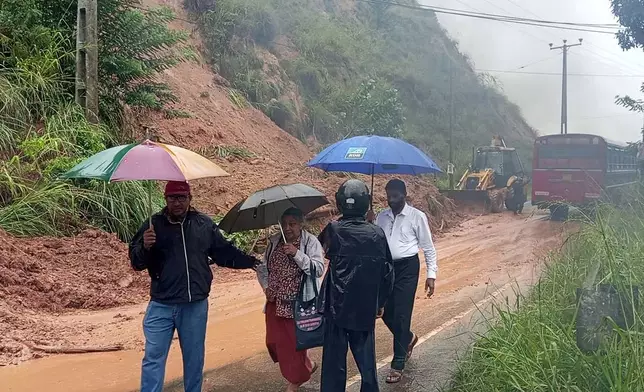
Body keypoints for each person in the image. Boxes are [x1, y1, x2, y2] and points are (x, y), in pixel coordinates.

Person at [129, 181, 260, 392]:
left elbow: (223, 252)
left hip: (194, 305)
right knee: (153, 357)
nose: (177, 202)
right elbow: (136, 263)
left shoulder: (203, 224)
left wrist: (251, 262)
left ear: (190, 199)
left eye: (182, 197)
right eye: (172, 198)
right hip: (161, 304)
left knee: (193, 358)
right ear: (166, 200)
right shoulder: (152, 224)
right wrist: (144, 246)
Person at [319, 179, 394, 392]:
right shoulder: (377, 233)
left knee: (334, 365)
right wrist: (380, 302)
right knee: (367, 364)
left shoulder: (333, 229)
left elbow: (323, 249)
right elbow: (388, 273)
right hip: (365, 306)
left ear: (340, 202)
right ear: (366, 203)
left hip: (337, 306)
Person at [374, 179, 438, 384]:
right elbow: (375, 242)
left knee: (402, 313)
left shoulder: (416, 217)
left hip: (407, 268)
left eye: (395, 196)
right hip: (386, 268)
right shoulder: (380, 217)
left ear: (404, 195)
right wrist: (369, 224)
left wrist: (431, 274)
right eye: (389, 196)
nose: (391, 200)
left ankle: (398, 363)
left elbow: (428, 247)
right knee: (383, 311)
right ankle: (408, 338)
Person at [256, 207, 325, 392]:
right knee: (273, 342)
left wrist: (296, 254)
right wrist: (265, 288)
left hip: (298, 303)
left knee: (293, 345)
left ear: (301, 224)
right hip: (275, 301)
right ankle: (308, 365)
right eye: (284, 224)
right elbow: (263, 268)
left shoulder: (310, 242)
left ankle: (296, 380)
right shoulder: (274, 242)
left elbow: (318, 269)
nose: (287, 228)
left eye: (292, 224)